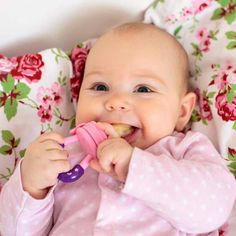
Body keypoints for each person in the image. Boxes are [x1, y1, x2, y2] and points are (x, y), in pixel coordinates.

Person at [0, 22, 235, 236]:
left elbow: (213, 209)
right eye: (100, 86)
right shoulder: (65, 159)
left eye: (143, 89)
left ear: (182, 112)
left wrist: (134, 167)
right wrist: (30, 188)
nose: (116, 101)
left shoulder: (183, 151)